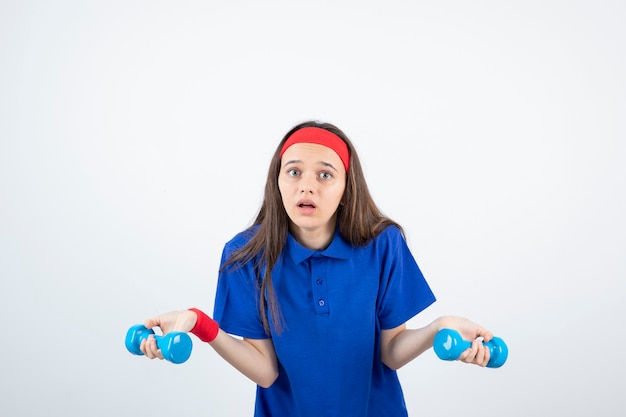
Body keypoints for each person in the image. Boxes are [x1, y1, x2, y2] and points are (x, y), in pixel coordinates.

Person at [139, 120, 496, 417]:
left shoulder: (383, 244)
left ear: (346, 188)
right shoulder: (246, 255)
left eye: (325, 175)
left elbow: (391, 352)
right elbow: (265, 372)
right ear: (277, 182)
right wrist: (200, 323)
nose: (306, 185)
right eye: (293, 172)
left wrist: (438, 329)